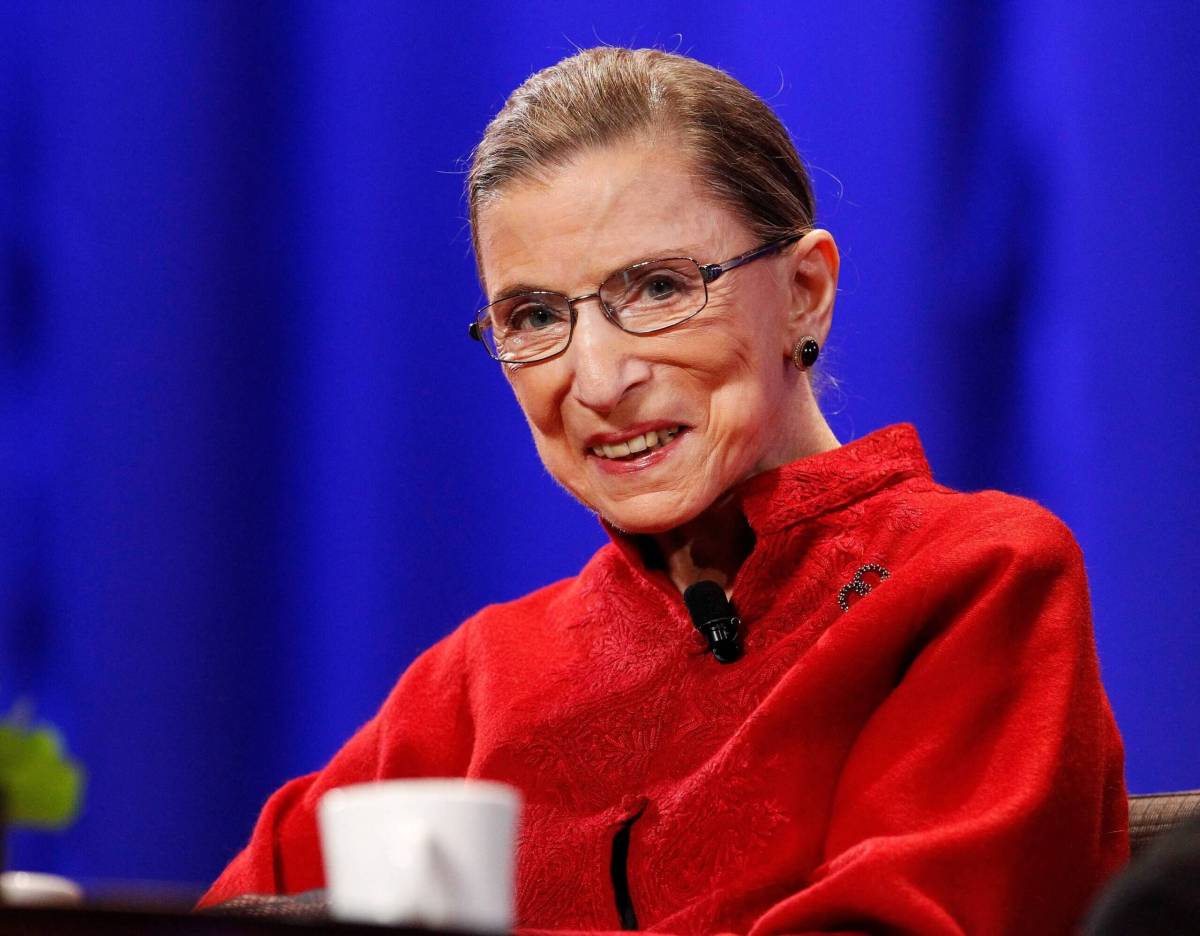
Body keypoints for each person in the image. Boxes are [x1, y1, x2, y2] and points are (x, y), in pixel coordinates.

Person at [199, 47, 1128, 934]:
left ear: (804, 291)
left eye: (654, 288)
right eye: (533, 316)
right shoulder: (475, 687)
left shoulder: (975, 582)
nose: (598, 380)